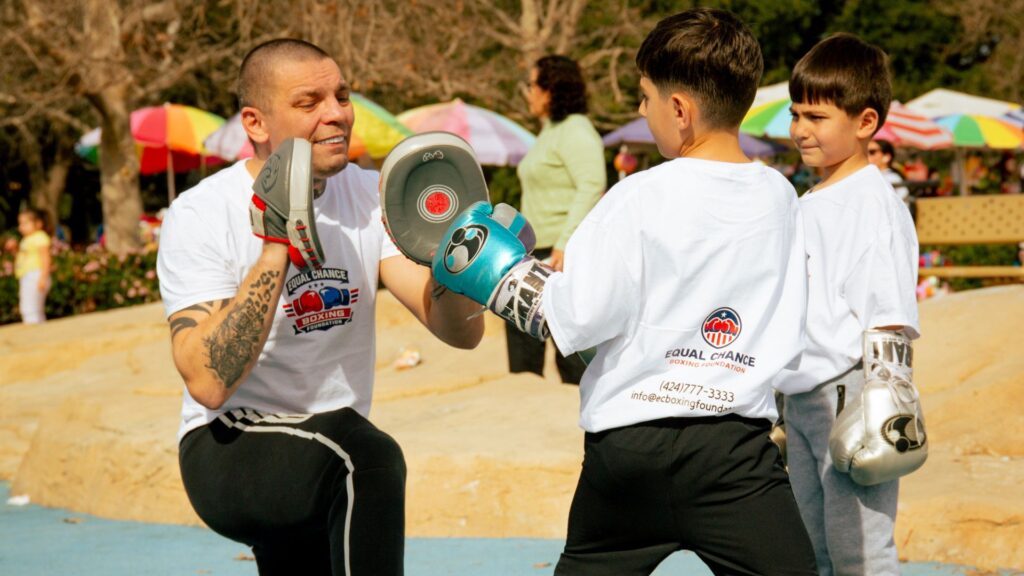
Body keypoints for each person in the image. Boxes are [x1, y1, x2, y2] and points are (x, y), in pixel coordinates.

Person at [430, 8, 817, 575]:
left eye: (644, 97)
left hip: (628, 451)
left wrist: (498, 273)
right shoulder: (781, 197)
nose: (642, 110)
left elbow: (575, 318)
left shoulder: (636, 195)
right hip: (736, 453)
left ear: (679, 110)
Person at [156, 39, 483, 576]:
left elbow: (459, 333)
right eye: (309, 102)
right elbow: (208, 381)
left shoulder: (371, 195)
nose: (337, 114)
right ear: (256, 123)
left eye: (343, 95)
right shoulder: (200, 213)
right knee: (366, 458)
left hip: (323, 448)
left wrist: (456, 261)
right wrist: (276, 242)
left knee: (345, 457)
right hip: (230, 444)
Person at [775, 33, 921, 576]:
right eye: (796, 114)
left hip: (852, 396)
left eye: (816, 116)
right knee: (814, 550)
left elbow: (889, 316)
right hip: (805, 398)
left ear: (864, 122)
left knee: (860, 551)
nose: (799, 129)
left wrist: (887, 411)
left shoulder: (873, 204)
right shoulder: (809, 198)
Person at [511, 54, 605, 384]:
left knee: (573, 359)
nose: (528, 93)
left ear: (551, 90)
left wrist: (566, 244)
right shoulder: (549, 131)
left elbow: (592, 183)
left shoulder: (575, 130)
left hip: (561, 254)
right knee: (523, 352)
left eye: (532, 85)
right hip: (530, 254)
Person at [15, 208, 52, 324]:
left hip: (35, 275)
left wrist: (43, 277)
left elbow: (45, 258)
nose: (21, 227)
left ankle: (33, 328)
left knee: (29, 307)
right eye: (20, 224)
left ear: (38, 223)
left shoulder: (40, 237)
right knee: (33, 307)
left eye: (25, 223)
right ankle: (38, 327)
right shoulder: (27, 239)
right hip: (28, 276)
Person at [868, 138, 910, 208]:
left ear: (886, 157)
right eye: (865, 152)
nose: (867, 156)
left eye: (872, 152)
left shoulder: (893, 178)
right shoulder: (870, 176)